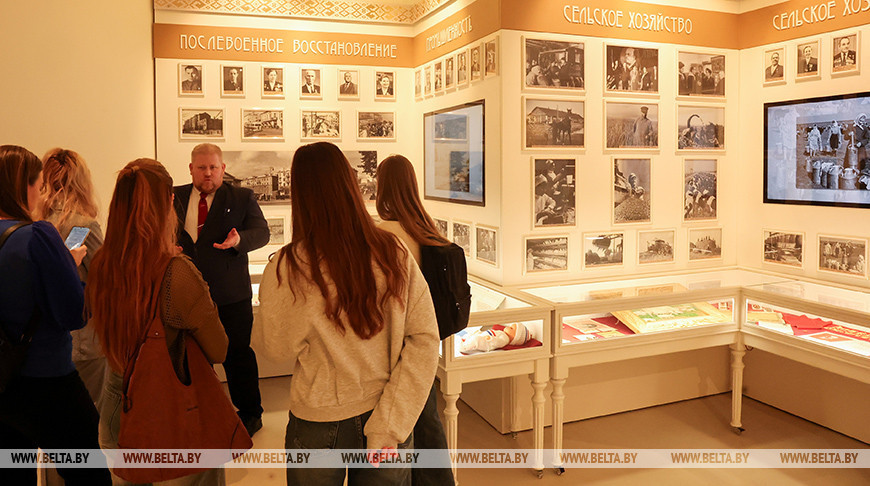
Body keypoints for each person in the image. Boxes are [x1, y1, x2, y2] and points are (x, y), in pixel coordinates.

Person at [258, 143, 439, 486]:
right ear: (350, 184)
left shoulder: (287, 266)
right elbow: (425, 338)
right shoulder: (391, 251)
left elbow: (277, 348)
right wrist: (391, 421)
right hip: (388, 409)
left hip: (317, 421)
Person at [88, 158, 228, 485]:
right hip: (173, 414)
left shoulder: (101, 266)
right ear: (167, 202)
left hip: (116, 409)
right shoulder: (176, 273)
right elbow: (218, 348)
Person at [0, 145, 110, 486]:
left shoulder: (36, 228)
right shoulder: (44, 233)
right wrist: (67, 267)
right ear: (27, 185)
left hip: (5, 373)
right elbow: (75, 310)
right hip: (49, 368)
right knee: (84, 465)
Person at [174, 143, 270, 437]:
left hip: (231, 295)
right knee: (190, 357)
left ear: (223, 168)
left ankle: (250, 413)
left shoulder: (241, 196)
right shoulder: (174, 196)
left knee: (237, 355)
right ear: (191, 169)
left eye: (213, 167)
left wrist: (240, 239)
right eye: (202, 168)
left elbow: (262, 232)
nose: (208, 173)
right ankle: (199, 410)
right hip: (186, 294)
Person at [374, 154, 456, 486]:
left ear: (381, 188)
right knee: (425, 414)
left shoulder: (382, 235)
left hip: (391, 343)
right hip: (426, 338)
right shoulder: (428, 229)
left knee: (403, 420)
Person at [37, 148, 105, 403]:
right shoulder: (83, 224)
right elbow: (105, 280)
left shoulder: (33, 222)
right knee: (92, 419)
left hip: (46, 339)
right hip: (85, 338)